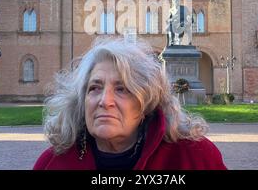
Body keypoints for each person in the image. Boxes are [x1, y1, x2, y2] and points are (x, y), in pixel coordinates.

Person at [34, 38, 227, 170]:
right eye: (94, 88)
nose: (104, 101)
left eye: (122, 89)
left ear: (146, 101)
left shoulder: (195, 157)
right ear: (81, 100)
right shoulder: (51, 163)